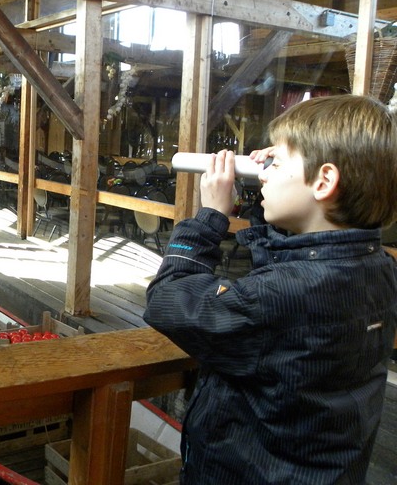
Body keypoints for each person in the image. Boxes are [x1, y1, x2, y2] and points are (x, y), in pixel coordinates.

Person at [144, 94, 397, 484]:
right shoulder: (377, 267)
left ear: (324, 180)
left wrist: (210, 217)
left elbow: (167, 301)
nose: (262, 172)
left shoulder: (282, 294)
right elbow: (297, 263)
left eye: (275, 164)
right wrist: (272, 192)